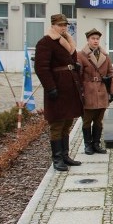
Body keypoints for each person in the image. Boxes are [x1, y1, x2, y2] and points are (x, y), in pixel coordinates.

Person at [34, 14, 83, 171]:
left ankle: (65, 156)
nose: (63, 28)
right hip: (57, 88)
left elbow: (70, 61)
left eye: (65, 25)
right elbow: (41, 68)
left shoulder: (68, 41)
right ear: (53, 25)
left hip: (70, 88)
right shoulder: (45, 42)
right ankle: (57, 159)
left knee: (67, 122)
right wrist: (51, 88)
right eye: (60, 25)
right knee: (57, 123)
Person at [77, 28, 113, 155]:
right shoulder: (81, 55)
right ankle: (88, 145)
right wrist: (80, 93)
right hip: (88, 90)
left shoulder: (105, 55)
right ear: (88, 40)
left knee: (99, 120)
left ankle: (96, 143)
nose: (95, 41)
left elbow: (111, 73)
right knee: (87, 120)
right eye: (93, 39)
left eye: (97, 39)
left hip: (102, 90)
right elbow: (78, 76)